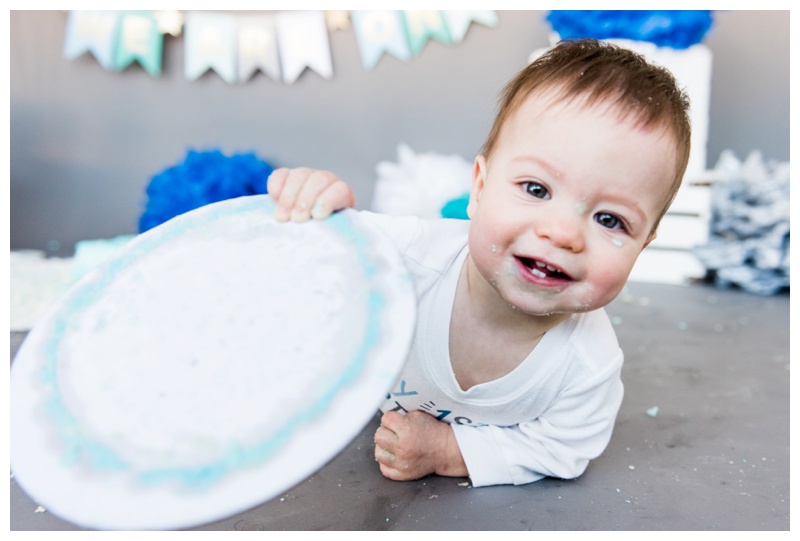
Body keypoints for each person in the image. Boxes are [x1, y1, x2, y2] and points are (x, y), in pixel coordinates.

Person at [266, 38, 691, 487]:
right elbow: (309, 265)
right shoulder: (404, 258)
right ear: (479, 189)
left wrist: (449, 451)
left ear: (642, 247)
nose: (561, 234)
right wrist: (321, 212)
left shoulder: (587, 367)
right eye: (536, 189)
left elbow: (563, 448)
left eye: (610, 219)